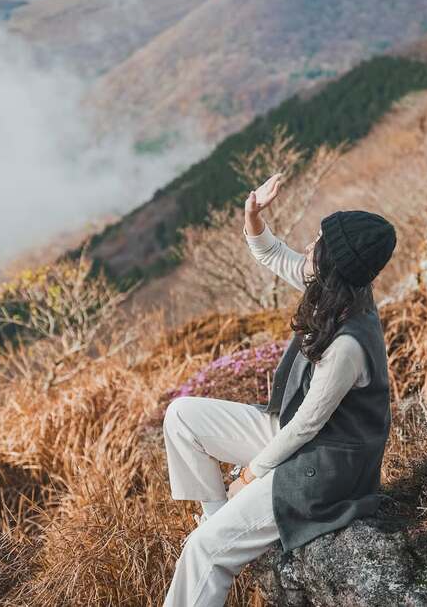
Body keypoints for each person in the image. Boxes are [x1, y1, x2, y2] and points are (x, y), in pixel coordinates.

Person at [162, 171, 397, 606]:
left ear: (334, 261)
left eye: (319, 241)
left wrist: (249, 475)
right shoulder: (335, 290)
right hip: (300, 438)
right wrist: (252, 215)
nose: (309, 245)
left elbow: (308, 424)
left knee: (204, 552)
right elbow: (273, 254)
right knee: (181, 418)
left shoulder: (348, 345)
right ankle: (220, 519)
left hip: (325, 468)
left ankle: (218, 535)